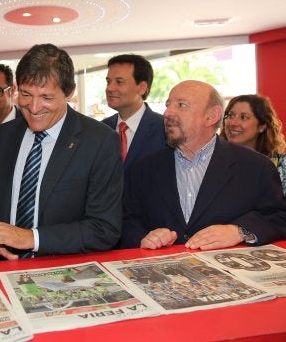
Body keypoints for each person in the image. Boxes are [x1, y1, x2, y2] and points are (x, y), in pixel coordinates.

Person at [0, 43, 123, 269]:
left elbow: (103, 229)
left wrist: (31, 238)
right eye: (26, 94)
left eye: (46, 97)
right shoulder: (4, 136)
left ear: (69, 93)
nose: (33, 107)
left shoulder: (99, 141)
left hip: (64, 275)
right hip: (3, 269)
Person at [120, 80, 286, 250]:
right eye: (168, 105)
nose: (168, 112)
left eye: (181, 105)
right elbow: (127, 222)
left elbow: (278, 217)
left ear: (211, 116)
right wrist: (143, 238)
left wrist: (239, 231)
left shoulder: (256, 167)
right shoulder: (142, 169)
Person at [102, 54, 167, 171]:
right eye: (108, 82)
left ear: (142, 87)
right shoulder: (101, 129)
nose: (110, 88)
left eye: (119, 82)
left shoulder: (165, 129)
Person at [221, 94, 286, 197]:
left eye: (244, 117)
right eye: (230, 115)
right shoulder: (214, 160)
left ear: (262, 126)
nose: (233, 122)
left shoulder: (281, 166)